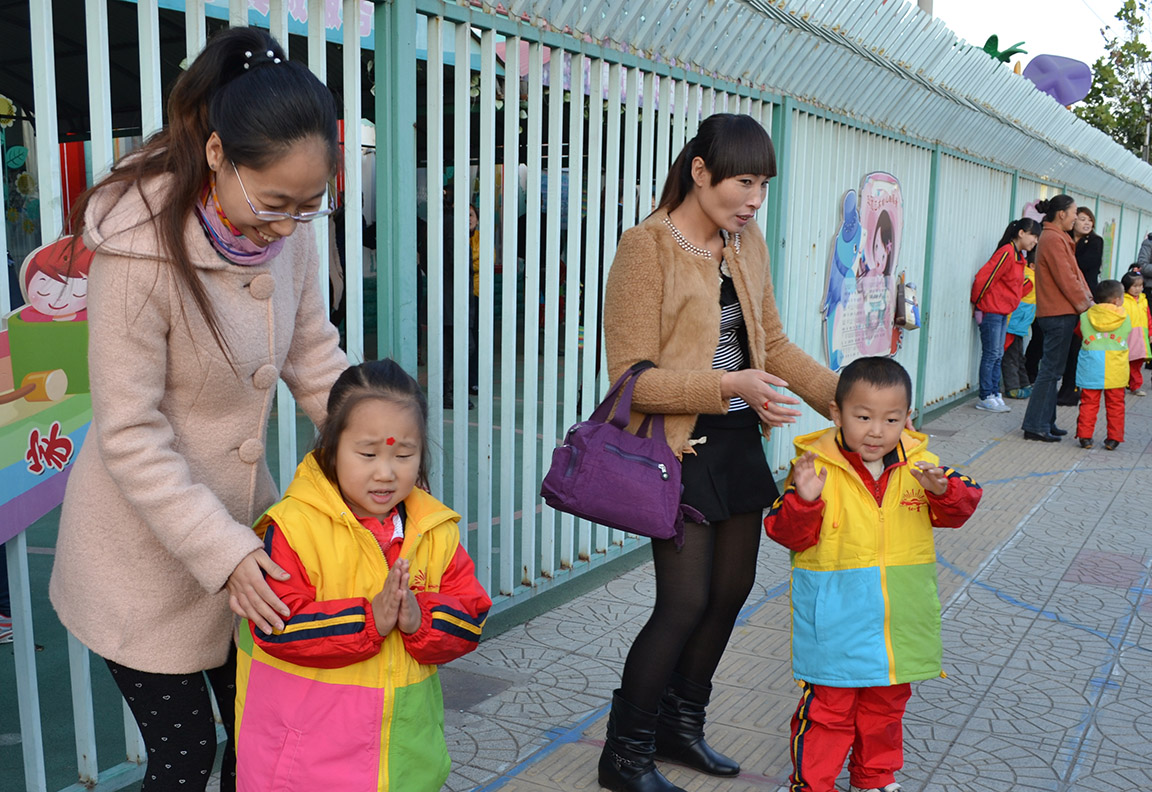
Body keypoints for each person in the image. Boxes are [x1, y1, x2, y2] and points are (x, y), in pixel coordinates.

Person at [48, 28, 349, 791]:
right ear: (217, 154)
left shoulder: (294, 233)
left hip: (247, 544)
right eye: (275, 203)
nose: (287, 227)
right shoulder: (139, 246)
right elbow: (130, 432)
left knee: (265, 745)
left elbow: (314, 354)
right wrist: (226, 555)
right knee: (184, 761)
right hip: (141, 561)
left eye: (308, 208)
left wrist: (378, 445)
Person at [599, 113, 839, 792]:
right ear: (700, 172)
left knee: (730, 593)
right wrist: (727, 383)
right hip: (677, 446)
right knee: (682, 603)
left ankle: (680, 725)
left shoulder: (744, 241)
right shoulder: (646, 248)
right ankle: (624, 754)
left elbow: (776, 342)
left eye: (763, 183)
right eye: (743, 180)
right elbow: (631, 380)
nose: (754, 197)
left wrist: (845, 401)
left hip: (736, 440)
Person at [234, 359, 491, 791]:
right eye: (368, 454)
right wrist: (370, 619)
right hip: (305, 765)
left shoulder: (435, 531)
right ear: (332, 449)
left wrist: (417, 619)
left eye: (403, 454)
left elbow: (470, 618)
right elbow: (276, 625)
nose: (386, 472)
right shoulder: (293, 527)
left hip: (404, 761)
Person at [764, 356, 982, 792]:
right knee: (828, 712)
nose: (876, 430)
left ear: (908, 419)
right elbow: (786, 533)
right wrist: (805, 501)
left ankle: (875, 778)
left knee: (885, 708)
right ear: (836, 413)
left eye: (891, 419)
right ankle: (813, 784)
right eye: (862, 417)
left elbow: (962, 505)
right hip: (835, 624)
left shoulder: (923, 467)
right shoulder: (814, 469)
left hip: (897, 624)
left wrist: (944, 490)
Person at [1020, 195, 1094, 442]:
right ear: (1061, 214)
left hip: (1060, 311)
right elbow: (1067, 278)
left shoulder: (1057, 237)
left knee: (1053, 371)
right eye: (1074, 213)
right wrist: (1086, 304)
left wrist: (1088, 301)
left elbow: (1076, 275)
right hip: (1057, 312)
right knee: (1050, 371)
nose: (1076, 217)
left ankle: (1046, 422)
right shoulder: (1053, 238)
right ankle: (1035, 425)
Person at [970, 218, 1039, 411]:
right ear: (1022, 233)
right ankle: (985, 396)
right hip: (991, 310)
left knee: (998, 354)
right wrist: (979, 304)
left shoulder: (1018, 256)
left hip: (1003, 312)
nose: (1035, 241)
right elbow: (985, 278)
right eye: (1034, 235)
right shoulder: (1007, 252)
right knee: (991, 354)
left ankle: (994, 392)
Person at [1075, 280, 1133, 451]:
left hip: (1091, 366)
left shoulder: (1086, 316)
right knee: (1116, 404)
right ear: (1116, 300)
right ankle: (1113, 439)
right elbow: (1128, 333)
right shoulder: (1124, 317)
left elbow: (1079, 332)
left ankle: (1085, 437)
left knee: (1088, 403)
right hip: (1116, 367)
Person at [1056, 207, 1104, 405]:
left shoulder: (1095, 241)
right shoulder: (1063, 238)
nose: (1087, 223)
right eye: (1082, 219)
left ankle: (1071, 390)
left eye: (1090, 220)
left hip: (1085, 298)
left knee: (1077, 345)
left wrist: (1067, 262)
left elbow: (1084, 265)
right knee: (1063, 344)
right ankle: (1061, 388)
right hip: (1063, 297)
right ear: (1072, 220)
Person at [1003, 219, 1044, 399]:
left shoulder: (1033, 279)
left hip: (1019, 325)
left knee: (1018, 355)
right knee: (1011, 356)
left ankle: (1023, 384)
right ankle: (1012, 387)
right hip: (1012, 324)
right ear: (1033, 266)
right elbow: (1014, 296)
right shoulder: (1028, 279)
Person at [1121, 270, 1150, 396]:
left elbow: (1148, 317)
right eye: (1135, 286)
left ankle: (1135, 385)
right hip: (1127, 334)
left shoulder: (1144, 300)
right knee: (1123, 360)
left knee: (1137, 361)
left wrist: (1150, 333)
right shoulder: (1122, 300)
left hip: (1141, 335)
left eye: (1140, 286)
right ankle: (1121, 384)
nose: (1138, 289)